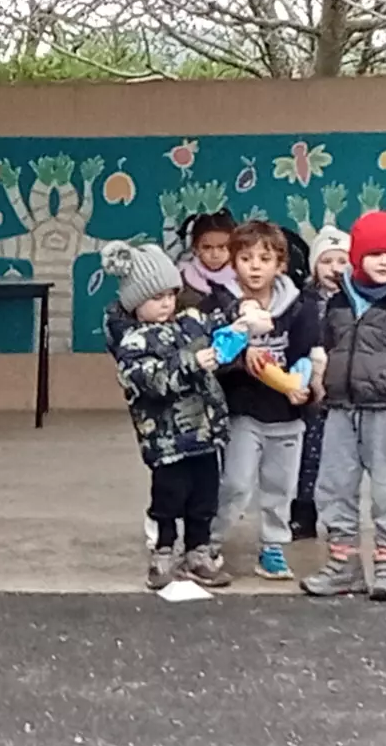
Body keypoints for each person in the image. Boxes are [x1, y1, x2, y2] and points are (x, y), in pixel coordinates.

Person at [302, 210, 386, 602]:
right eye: (375, 253)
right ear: (357, 255)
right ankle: (343, 566)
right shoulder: (340, 299)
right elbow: (328, 348)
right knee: (333, 487)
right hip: (342, 410)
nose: (383, 261)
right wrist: (318, 386)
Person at [104, 241, 230, 589]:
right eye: (155, 296)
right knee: (168, 497)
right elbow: (154, 382)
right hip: (166, 441)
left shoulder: (188, 325)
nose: (165, 303)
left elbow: (219, 322)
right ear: (134, 302)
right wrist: (192, 363)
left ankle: (198, 552)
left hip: (204, 435)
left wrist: (244, 319)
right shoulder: (132, 344)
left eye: (171, 295)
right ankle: (163, 550)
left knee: (205, 495)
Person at [212, 219, 321, 582]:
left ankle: (273, 547)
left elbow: (306, 355)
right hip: (243, 411)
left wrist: (300, 385)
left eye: (265, 258)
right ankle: (208, 543)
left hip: (287, 415)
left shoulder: (299, 307)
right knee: (236, 483)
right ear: (233, 261)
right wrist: (243, 358)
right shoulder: (222, 303)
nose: (255, 266)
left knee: (279, 487)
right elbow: (214, 359)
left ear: (281, 265)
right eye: (246, 258)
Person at [291, 225, 348, 541]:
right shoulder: (302, 301)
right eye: (327, 261)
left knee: (340, 457)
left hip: (343, 389)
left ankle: (339, 517)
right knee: (307, 455)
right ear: (314, 265)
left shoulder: (355, 301)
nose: (334, 269)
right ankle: (302, 514)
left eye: (342, 261)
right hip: (309, 388)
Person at [178, 209, 239, 305]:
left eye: (222, 247)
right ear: (195, 248)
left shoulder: (244, 276)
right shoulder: (182, 280)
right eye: (207, 247)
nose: (215, 255)